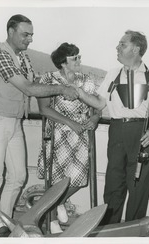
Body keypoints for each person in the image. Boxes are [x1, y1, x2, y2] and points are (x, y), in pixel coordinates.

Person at [0, 15, 79, 237]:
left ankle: (4, 216)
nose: (29, 39)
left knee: (19, 175)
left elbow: (38, 82)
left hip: (14, 121)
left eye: (31, 34)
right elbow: (29, 88)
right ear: (10, 31)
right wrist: (61, 90)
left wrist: (65, 82)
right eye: (25, 34)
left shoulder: (23, 58)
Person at [77, 30, 149, 225]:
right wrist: (77, 92)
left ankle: (133, 231)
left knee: (138, 188)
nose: (117, 48)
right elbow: (99, 104)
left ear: (135, 49)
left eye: (122, 44)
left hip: (144, 135)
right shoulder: (112, 74)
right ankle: (108, 230)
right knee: (113, 185)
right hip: (117, 132)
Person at [36, 42, 102, 233]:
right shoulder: (48, 79)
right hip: (57, 133)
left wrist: (95, 119)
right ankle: (52, 219)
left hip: (80, 135)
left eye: (79, 56)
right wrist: (70, 122)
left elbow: (97, 106)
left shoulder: (86, 80)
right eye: (74, 58)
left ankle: (57, 203)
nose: (79, 60)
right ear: (63, 62)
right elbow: (43, 109)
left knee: (79, 178)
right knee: (56, 179)